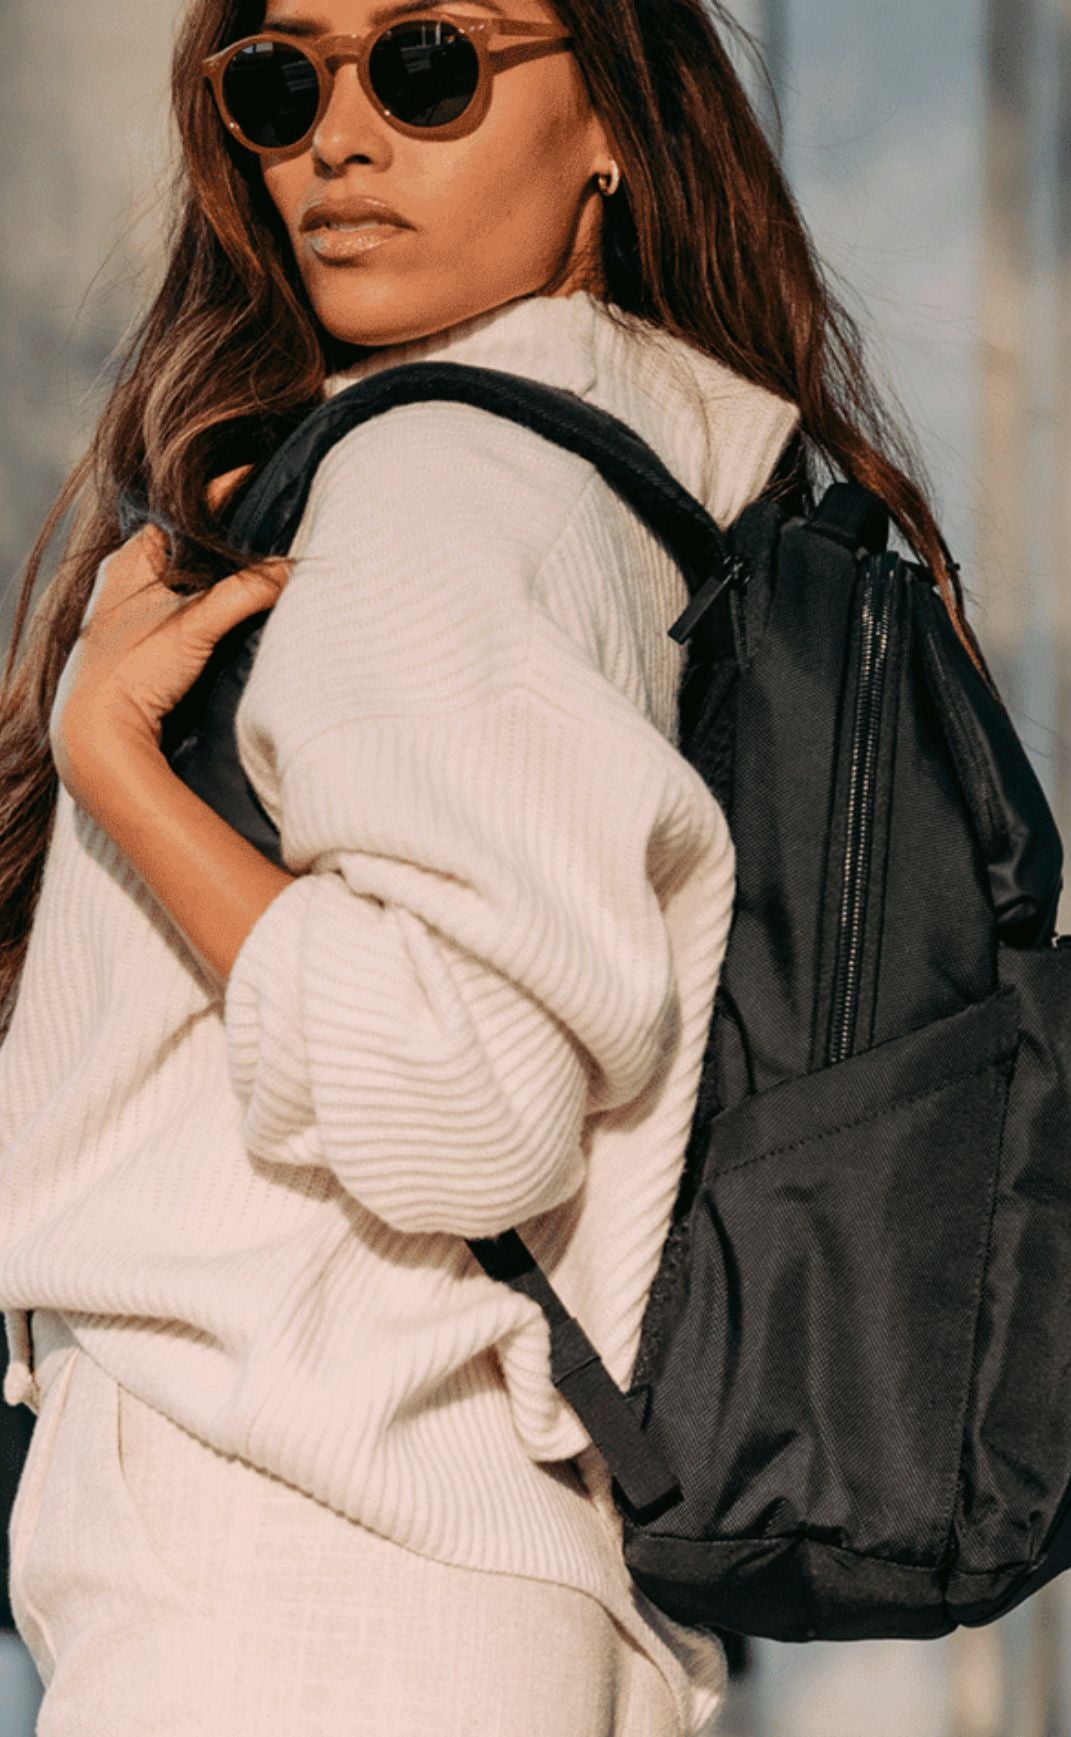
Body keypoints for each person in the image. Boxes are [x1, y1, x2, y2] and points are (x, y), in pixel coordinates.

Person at [0, 0, 985, 1730]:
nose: (340, 137)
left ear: (610, 123)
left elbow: (466, 1096)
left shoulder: (434, 479)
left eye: (428, 62)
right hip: (439, 1573)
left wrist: (122, 777)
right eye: (282, 81)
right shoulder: (608, 478)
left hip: (299, 1579)